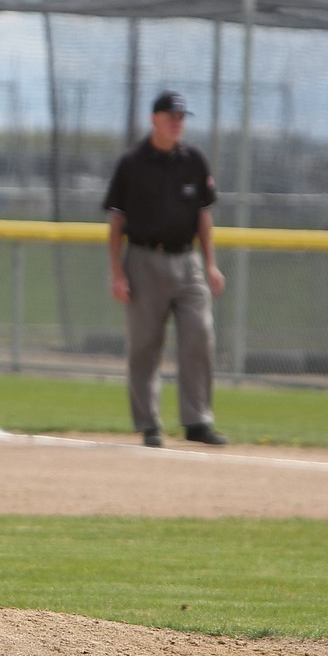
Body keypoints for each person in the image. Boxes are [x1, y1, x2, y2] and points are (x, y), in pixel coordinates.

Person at [103, 89, 228, 448]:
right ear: (154, 119)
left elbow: (203, 218)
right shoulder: (133, 163)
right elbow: (116, 222)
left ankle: (198, 420)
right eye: (171, 116)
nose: (177, 123)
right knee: (145, 346)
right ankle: (149, 424)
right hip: (143, 259)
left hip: (187, 262)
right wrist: (117, 272)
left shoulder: (194, 161)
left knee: (199, 335)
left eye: (181, 118)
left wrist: (211, 265)